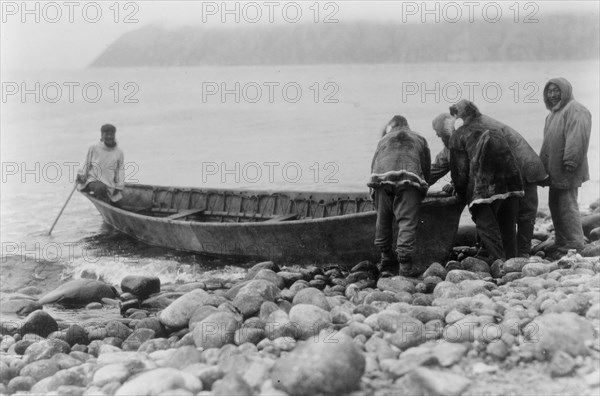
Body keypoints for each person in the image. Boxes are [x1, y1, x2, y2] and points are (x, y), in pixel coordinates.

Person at [449, 100, 548, 257]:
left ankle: (515, 255)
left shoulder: (467, 130)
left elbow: (460, 166)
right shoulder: (484, 122)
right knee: (515, 213)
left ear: (458, 117)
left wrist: (461, 191)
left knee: (518, 214)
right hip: (518, 169)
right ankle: (516, 255)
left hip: (518, 167)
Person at [368, 115, 431, 277]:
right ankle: (405, 267)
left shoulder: (384, 139)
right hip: (409, 181)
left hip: (381, 180)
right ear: (407, 125)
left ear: (391, 127)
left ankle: (386, 259)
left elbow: (374, 165)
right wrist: (423, 189)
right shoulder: (419, 138)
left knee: (383, 218)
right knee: (407, 222)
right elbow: (425, 167)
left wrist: (373, 193)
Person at [539, 78, 592, 257]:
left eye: (556, 91)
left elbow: (577, 138)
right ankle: (562, 241)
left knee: (568, 205)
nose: (552, 95)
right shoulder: (553, 114)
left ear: (566, 91)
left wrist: (571, 162)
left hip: (568, 168)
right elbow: (548, 145)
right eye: (549, 91)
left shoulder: (575, 109)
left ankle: (575, 243)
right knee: (555, 205)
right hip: (554, 170)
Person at [77, 124, 125, 206]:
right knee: (100, 188)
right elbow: (86, 163)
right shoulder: (94, 148)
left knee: (119, 204)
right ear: (102, 135)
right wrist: (81, 175)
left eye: (112, 134)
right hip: (92, 181)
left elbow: (120, 170)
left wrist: (119, 187)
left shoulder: (119, 152)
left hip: (109, 183)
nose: (109, 137)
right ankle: (106, 210)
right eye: (107, 134)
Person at [429, 113, 456, 195]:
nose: (437, 135)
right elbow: (433, 171)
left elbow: (471, 169)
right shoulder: (447, 150)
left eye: (438, 132)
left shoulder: (467, 144)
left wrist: (454, 186)